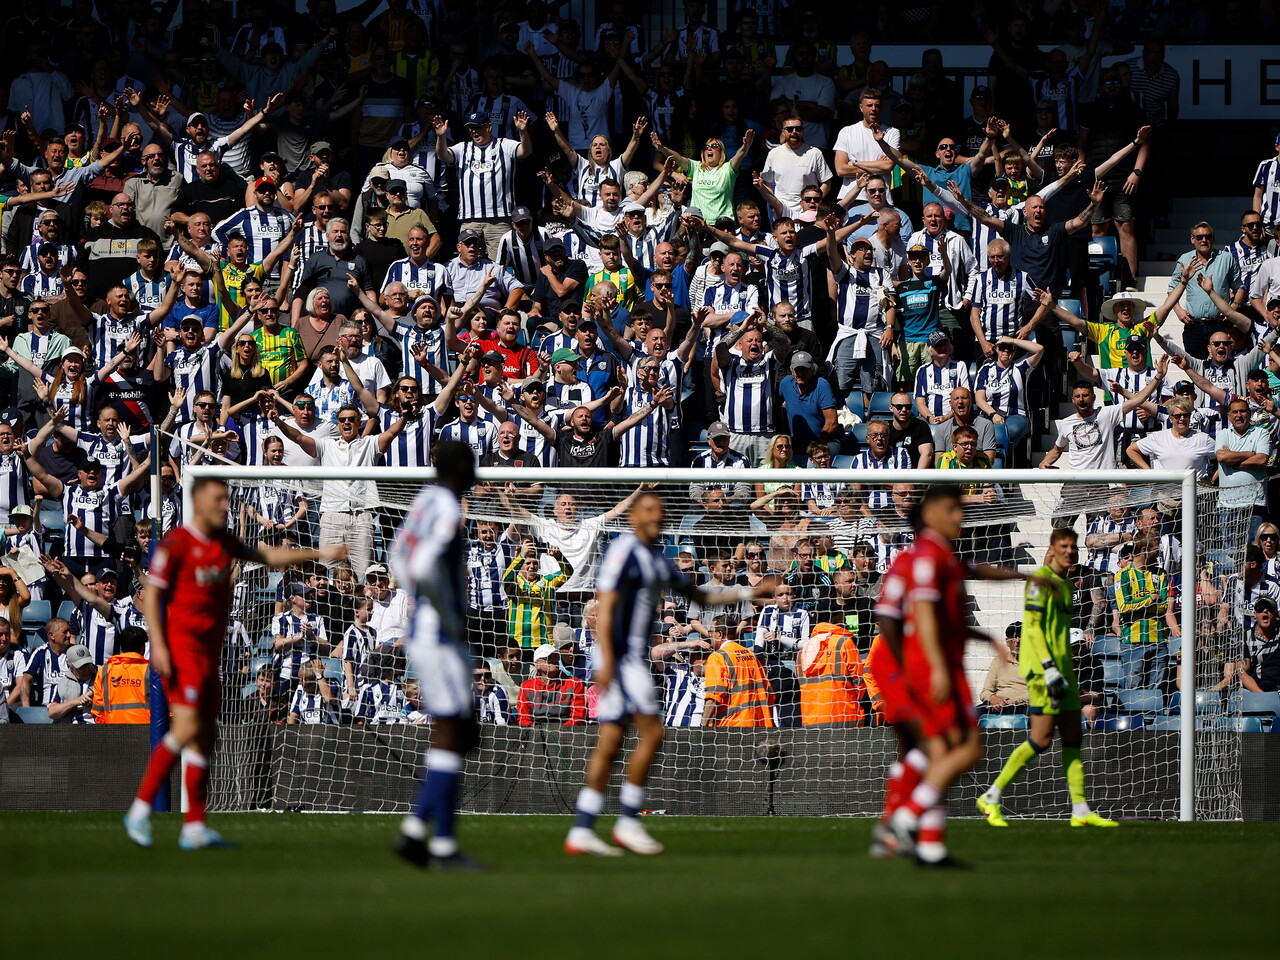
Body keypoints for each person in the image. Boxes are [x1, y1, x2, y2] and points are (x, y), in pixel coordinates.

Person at [123, 476, 345, 850]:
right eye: (218, 498)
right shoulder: (176, 544)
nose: (225, 505)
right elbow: (154, 595)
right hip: (182, 650)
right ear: (197, 501)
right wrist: (158, 645)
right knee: (187, 727)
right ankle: (140, 809)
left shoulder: (224, 542)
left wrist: (318, 554)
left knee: (204, 737)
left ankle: (194, 827)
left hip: (210, 653)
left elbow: (270, 556)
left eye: (227, 498)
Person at [565, 491, 775, 856]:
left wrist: (751, 590)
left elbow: (703, 598)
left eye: (660, 511)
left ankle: (584, 827)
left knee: (614, 741)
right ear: (633, 517)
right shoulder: (623, 552)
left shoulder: (657, 560)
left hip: (631, 658)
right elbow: (607, 602)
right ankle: (627, 822)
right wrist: (608, 659)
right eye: (649, 509)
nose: (656, 516)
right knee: (651, 732)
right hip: (620, 657)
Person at [977, 528, 1117, 828]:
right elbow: (1036, 631)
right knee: (1041, 739)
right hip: (1043, 673)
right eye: (1063, 547)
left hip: (1063, 669)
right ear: (1052, 550)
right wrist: (1049, 669)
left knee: (1073, 737)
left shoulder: (1066, 586)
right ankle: (991, 796)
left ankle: (1080, 810)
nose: (1070, 551)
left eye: (1074, 547)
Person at [390, 441, 485, 869]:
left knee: (455, 732)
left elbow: (399, 560)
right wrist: (448, 613)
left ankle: (429, 838)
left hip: (425, 630)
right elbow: (426, 565)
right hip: (441, 633)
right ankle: (428, 838)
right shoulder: (446, 507)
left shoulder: (423, 501)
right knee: (456, 732)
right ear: (462, 466)